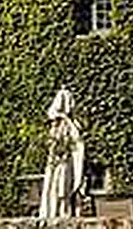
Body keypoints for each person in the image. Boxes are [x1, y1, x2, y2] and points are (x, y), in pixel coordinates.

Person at [39, 87, 84, 218]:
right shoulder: (56, 125)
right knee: (55, 188)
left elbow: (77, 141)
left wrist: (68, 121)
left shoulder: (72, 125)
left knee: (63, 189)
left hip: (65, 161)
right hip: (57, 162)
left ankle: (64, 213)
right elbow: (52, 142)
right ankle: (53, 212)